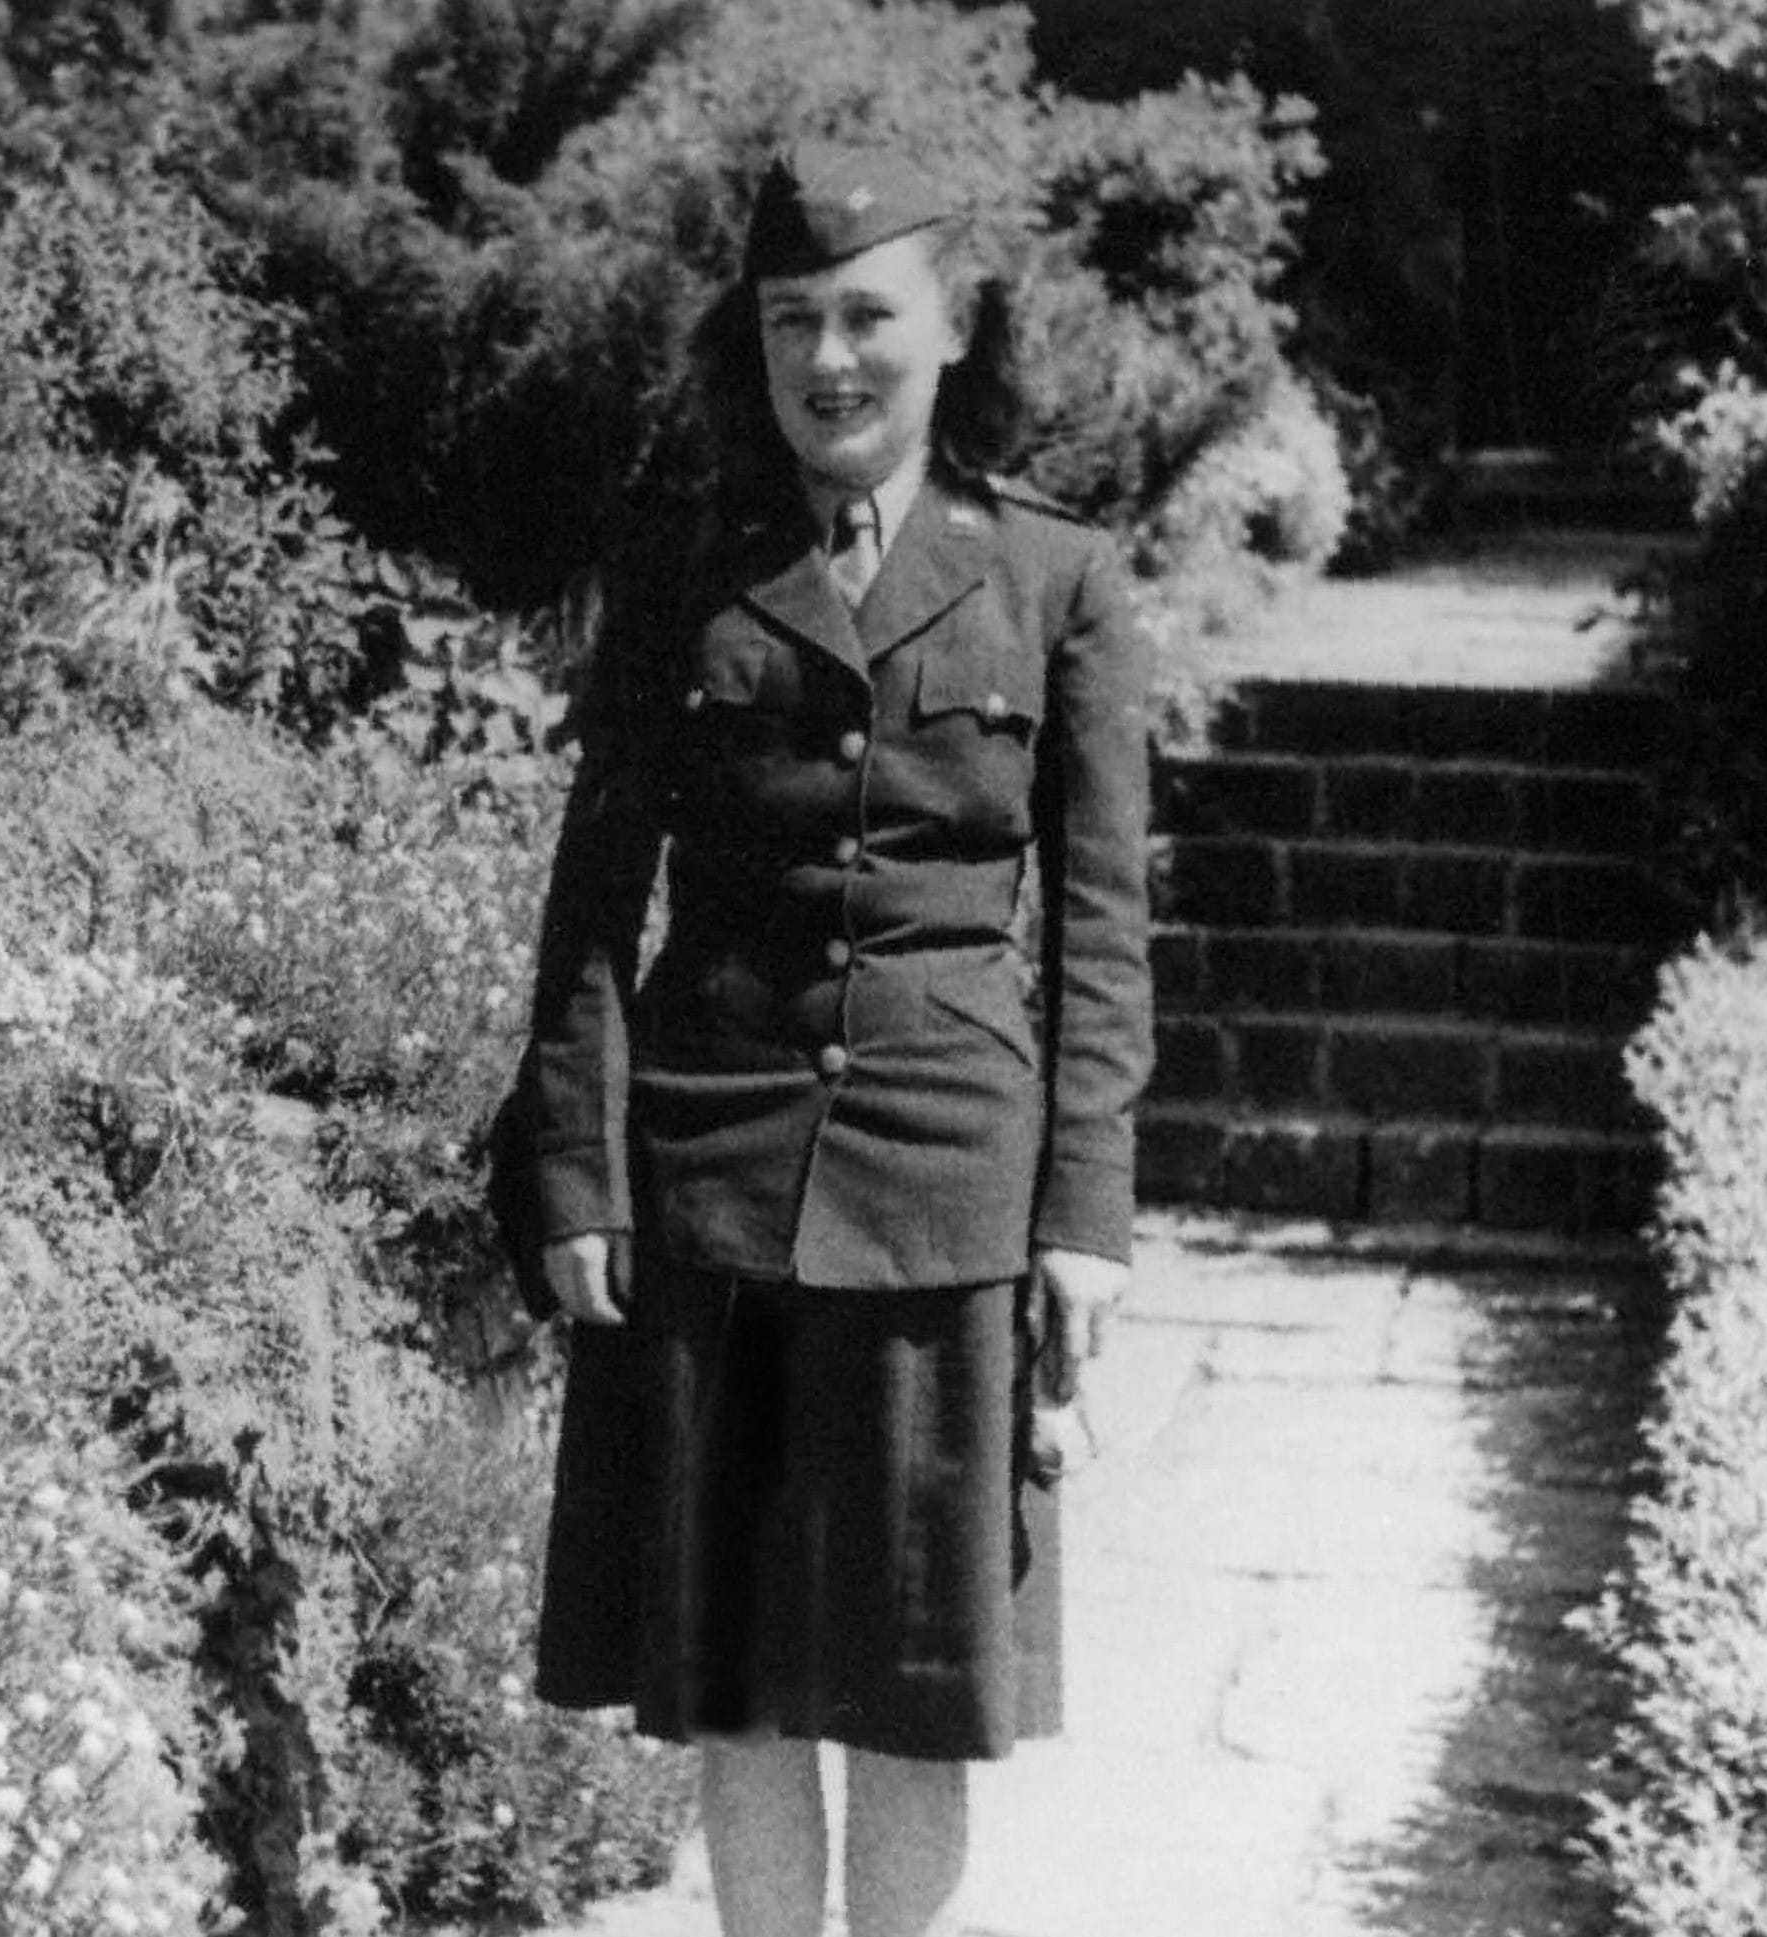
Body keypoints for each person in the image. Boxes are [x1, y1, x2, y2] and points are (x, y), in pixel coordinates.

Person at [511, 141, 1153, 1937]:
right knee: (734, 1680)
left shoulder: (1055, 578)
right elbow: (591, 901)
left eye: (870, 315)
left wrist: (1086, 1218)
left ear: (951, 329)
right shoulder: (685, 575)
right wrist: (574, 1161)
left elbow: (1101, 929)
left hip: (949, 1184)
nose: (832, 361)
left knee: (910, 1686)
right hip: (711, 1182)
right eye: (795, 320)